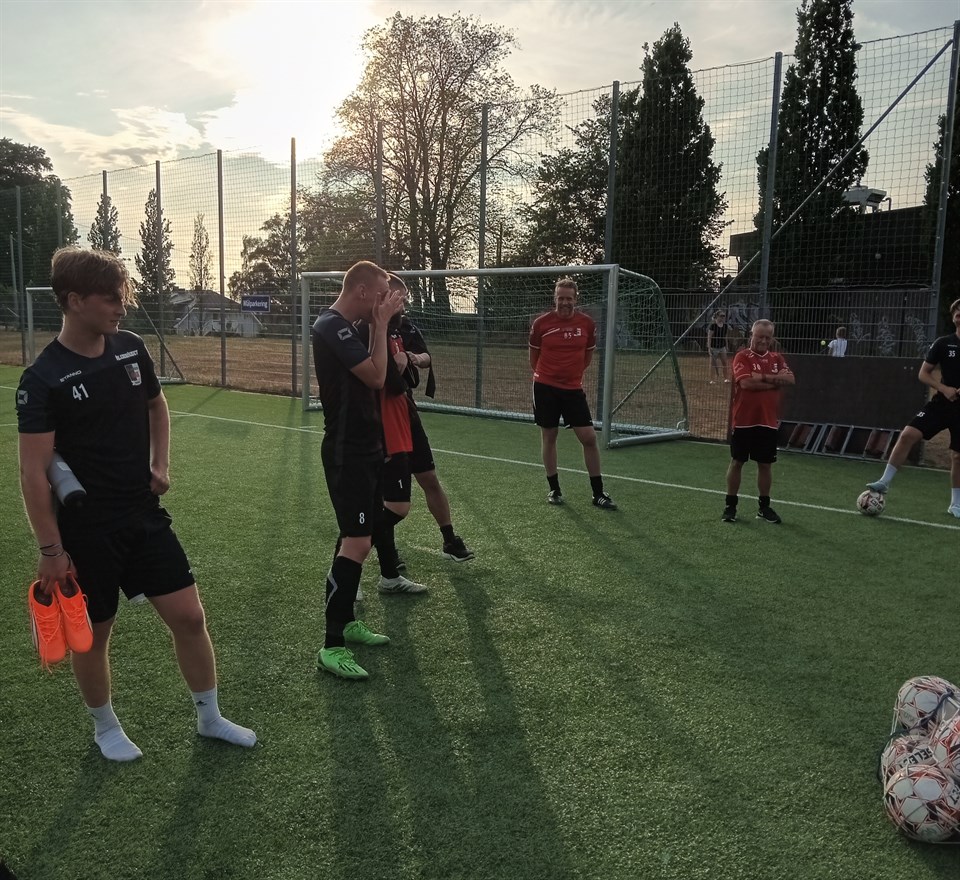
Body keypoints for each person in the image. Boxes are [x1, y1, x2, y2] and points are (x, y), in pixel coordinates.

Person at [16, 246, 256, 761]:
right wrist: (51, 549)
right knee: (96, 635)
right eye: (110, 298)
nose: (121, 306)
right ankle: (105, 728)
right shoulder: (43, 379)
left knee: (190, 616)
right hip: (87, 529)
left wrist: (160, 464)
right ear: (74, 300)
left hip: (142, 514)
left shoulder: (130, 348)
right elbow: (33, 473)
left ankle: (210, 718)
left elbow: (156, 404)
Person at [311, 261, 405, 680]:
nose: (385, 302)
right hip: (346, 451)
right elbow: (377, 377)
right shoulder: (331, 326)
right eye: (382, 293)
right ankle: (331, 645)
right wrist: (381, 326)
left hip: (367, 449)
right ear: (363, 291)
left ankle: (347, 622)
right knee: (357, 543)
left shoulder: (349, 327)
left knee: (359, 538)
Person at [388, 276, 474, 566]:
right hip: (381, 418)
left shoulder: (406, 326)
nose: (403, 303)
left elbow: (426, 356)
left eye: (404, 298)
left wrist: (411, 357)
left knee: (428, 477)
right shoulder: (368, 327)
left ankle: (449, 539)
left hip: (406, 411)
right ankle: (385, 552)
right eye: (398, 297)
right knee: (387, 492)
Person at [866, 298, 960, 518]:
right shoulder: (943, 343)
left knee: (958, 456)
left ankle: (956, 504)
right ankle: (884, 482)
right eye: (956, 310)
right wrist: (944, 388)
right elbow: (923, 373)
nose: (959, 313)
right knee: (908, 434)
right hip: (942, 403)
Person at [529, 277, 616, 509]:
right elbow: (533, 358)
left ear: (576, 299)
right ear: (554, 298)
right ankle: (554, 489)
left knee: (589, 438)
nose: (564, 302)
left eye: (569, 298)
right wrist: (550, 376)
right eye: (561, 298)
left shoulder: (587, 324)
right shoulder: (541, 324)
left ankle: (598, 493)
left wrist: (570, 376)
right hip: (545, 387)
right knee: (549, 436)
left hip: (573, 389)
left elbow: (587, 357)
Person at [722, 318, 795, 524]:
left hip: (768, 421)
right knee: (737, 461)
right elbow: (746, 383)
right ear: (751, 335)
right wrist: (774, 380)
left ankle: (764, 508)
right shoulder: (742, 356)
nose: (763, 341)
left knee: (765, 465)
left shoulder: (777, 358)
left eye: (767, 337)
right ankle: (730, 506)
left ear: (772, 338)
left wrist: (761, 377)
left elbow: (790, 379)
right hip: (744, 420)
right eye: (759, 336)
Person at [706, 310, 731, 383]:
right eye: (721, 316)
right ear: (717, 316)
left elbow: (725, 336)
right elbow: (709, 337)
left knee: (724, 362)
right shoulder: (713, 325)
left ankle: (726, 378)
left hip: (722, 347)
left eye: (724, 316)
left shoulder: (725, 326)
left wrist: (726, 346)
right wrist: (709, 348)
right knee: (713, 364)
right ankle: (712, 379)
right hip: (714, 347)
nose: (723, 317)